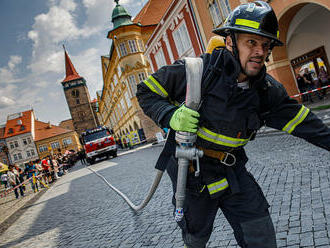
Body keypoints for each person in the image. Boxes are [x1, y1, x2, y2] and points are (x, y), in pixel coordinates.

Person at [136, 1, 330, 247]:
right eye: (251, 42)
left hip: (233, 171)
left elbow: (310, 126)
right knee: (195, 239)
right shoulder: (195, 72)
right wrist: (170, 115)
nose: (260, 51)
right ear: (230, 41)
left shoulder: (266, 91)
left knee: (261, 237)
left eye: (265, 45)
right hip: (193, 174)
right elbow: (146, 92)